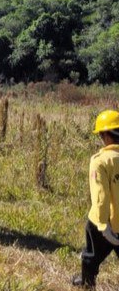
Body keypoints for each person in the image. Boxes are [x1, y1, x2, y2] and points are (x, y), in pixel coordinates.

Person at [72, 110, 119, 288]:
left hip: (103, 223)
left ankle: (87, 283)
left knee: (91, 256)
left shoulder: (99, 161)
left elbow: (101, 196)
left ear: (105, 135)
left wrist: (103, 226)